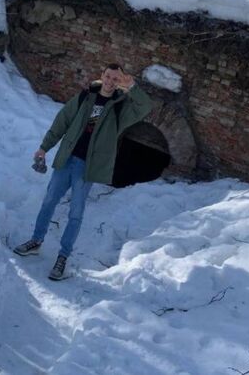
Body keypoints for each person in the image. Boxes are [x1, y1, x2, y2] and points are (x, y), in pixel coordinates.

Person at [14, 63, 152, 280]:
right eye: (108, 76)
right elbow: (62, 121)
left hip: (87, 166)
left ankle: (63, 257)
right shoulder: (85, 97)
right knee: (49, 201)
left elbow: (145, 107)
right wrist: (44, 147)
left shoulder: (120, 107)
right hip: (67, 158)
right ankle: (36, 241)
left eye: (116, 79)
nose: (110, 81)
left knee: (75, 213)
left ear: (120, 82)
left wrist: (132, 86)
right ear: (102, 75)